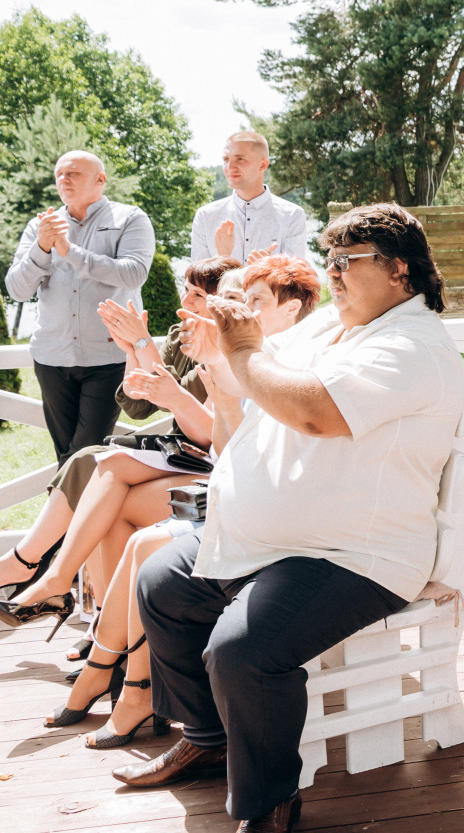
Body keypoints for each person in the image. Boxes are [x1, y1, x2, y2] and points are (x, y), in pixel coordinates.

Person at [114, 204, 464, 833]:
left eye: (347, 261)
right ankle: (209, 735)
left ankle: (268, 802)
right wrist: (217, 355)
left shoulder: (414, 344)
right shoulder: (332, 325)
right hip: (274, 538)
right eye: (327, 259)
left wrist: (245, 347)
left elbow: (311, 411)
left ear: (400, 270)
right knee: (162, 585)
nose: (331, 273)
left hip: (356, 552)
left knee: (242, 651)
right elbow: (252, 384)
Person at [43, 254, 321, 746]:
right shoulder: (231, 351)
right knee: (112, 494)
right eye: (234, 300)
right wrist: (147, 350)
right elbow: (141, 404)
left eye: (248, 300)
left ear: (292, 310)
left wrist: (179, 370)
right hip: (228, 489)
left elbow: (225, 447)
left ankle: (120, 676)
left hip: (257, 506)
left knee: (136, 525)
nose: (232, 310)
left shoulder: (292, 362)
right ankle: (116, 667)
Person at [0, 256, 240, 604]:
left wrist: (144, 344)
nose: (185, 302)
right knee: (90, 465)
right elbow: (138, 404)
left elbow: (181, 401)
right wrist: (131, 349)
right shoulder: (179, 334)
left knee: (92, 468)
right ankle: (83, 608)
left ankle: (39, 574)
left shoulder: (225, 348)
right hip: (178, 449)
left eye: (197, 296)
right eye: (186, 291)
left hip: (201, 455)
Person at [6, 151, 155, 467]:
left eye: (73, 173)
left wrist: (68, 250)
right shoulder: (39, 227)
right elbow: (17, 290)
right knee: (68, 455)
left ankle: (65, 511)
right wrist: (42, 248)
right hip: (51, 357)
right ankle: (77, 513)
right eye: (59, 174)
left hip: (109, 356)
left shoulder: (130, 218)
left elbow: (133, 273)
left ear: (100, 179)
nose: (64, 180)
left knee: (85, 454)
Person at [189, 132, 309, 263]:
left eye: (240, 159)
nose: (229, 167)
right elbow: (195, 280)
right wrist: (222, 258)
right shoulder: (205, 216)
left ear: (263, 164)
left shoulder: (292, 216)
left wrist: (267, 272)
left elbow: (296, 279)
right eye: (226, 159)